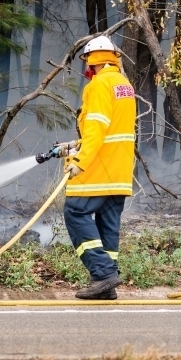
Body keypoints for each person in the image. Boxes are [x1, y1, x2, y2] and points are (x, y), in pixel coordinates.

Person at [57, 35, 136, 300]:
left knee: (75, 212)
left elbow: (98, 126)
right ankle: (107, 285)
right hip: (120, 170)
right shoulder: (124, 85)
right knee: (108, 224)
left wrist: (79, 160)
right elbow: (112, 129)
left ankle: (102, 274)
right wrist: (75, 145)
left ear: (93, 60)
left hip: (100, 167)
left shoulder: (98, 86)